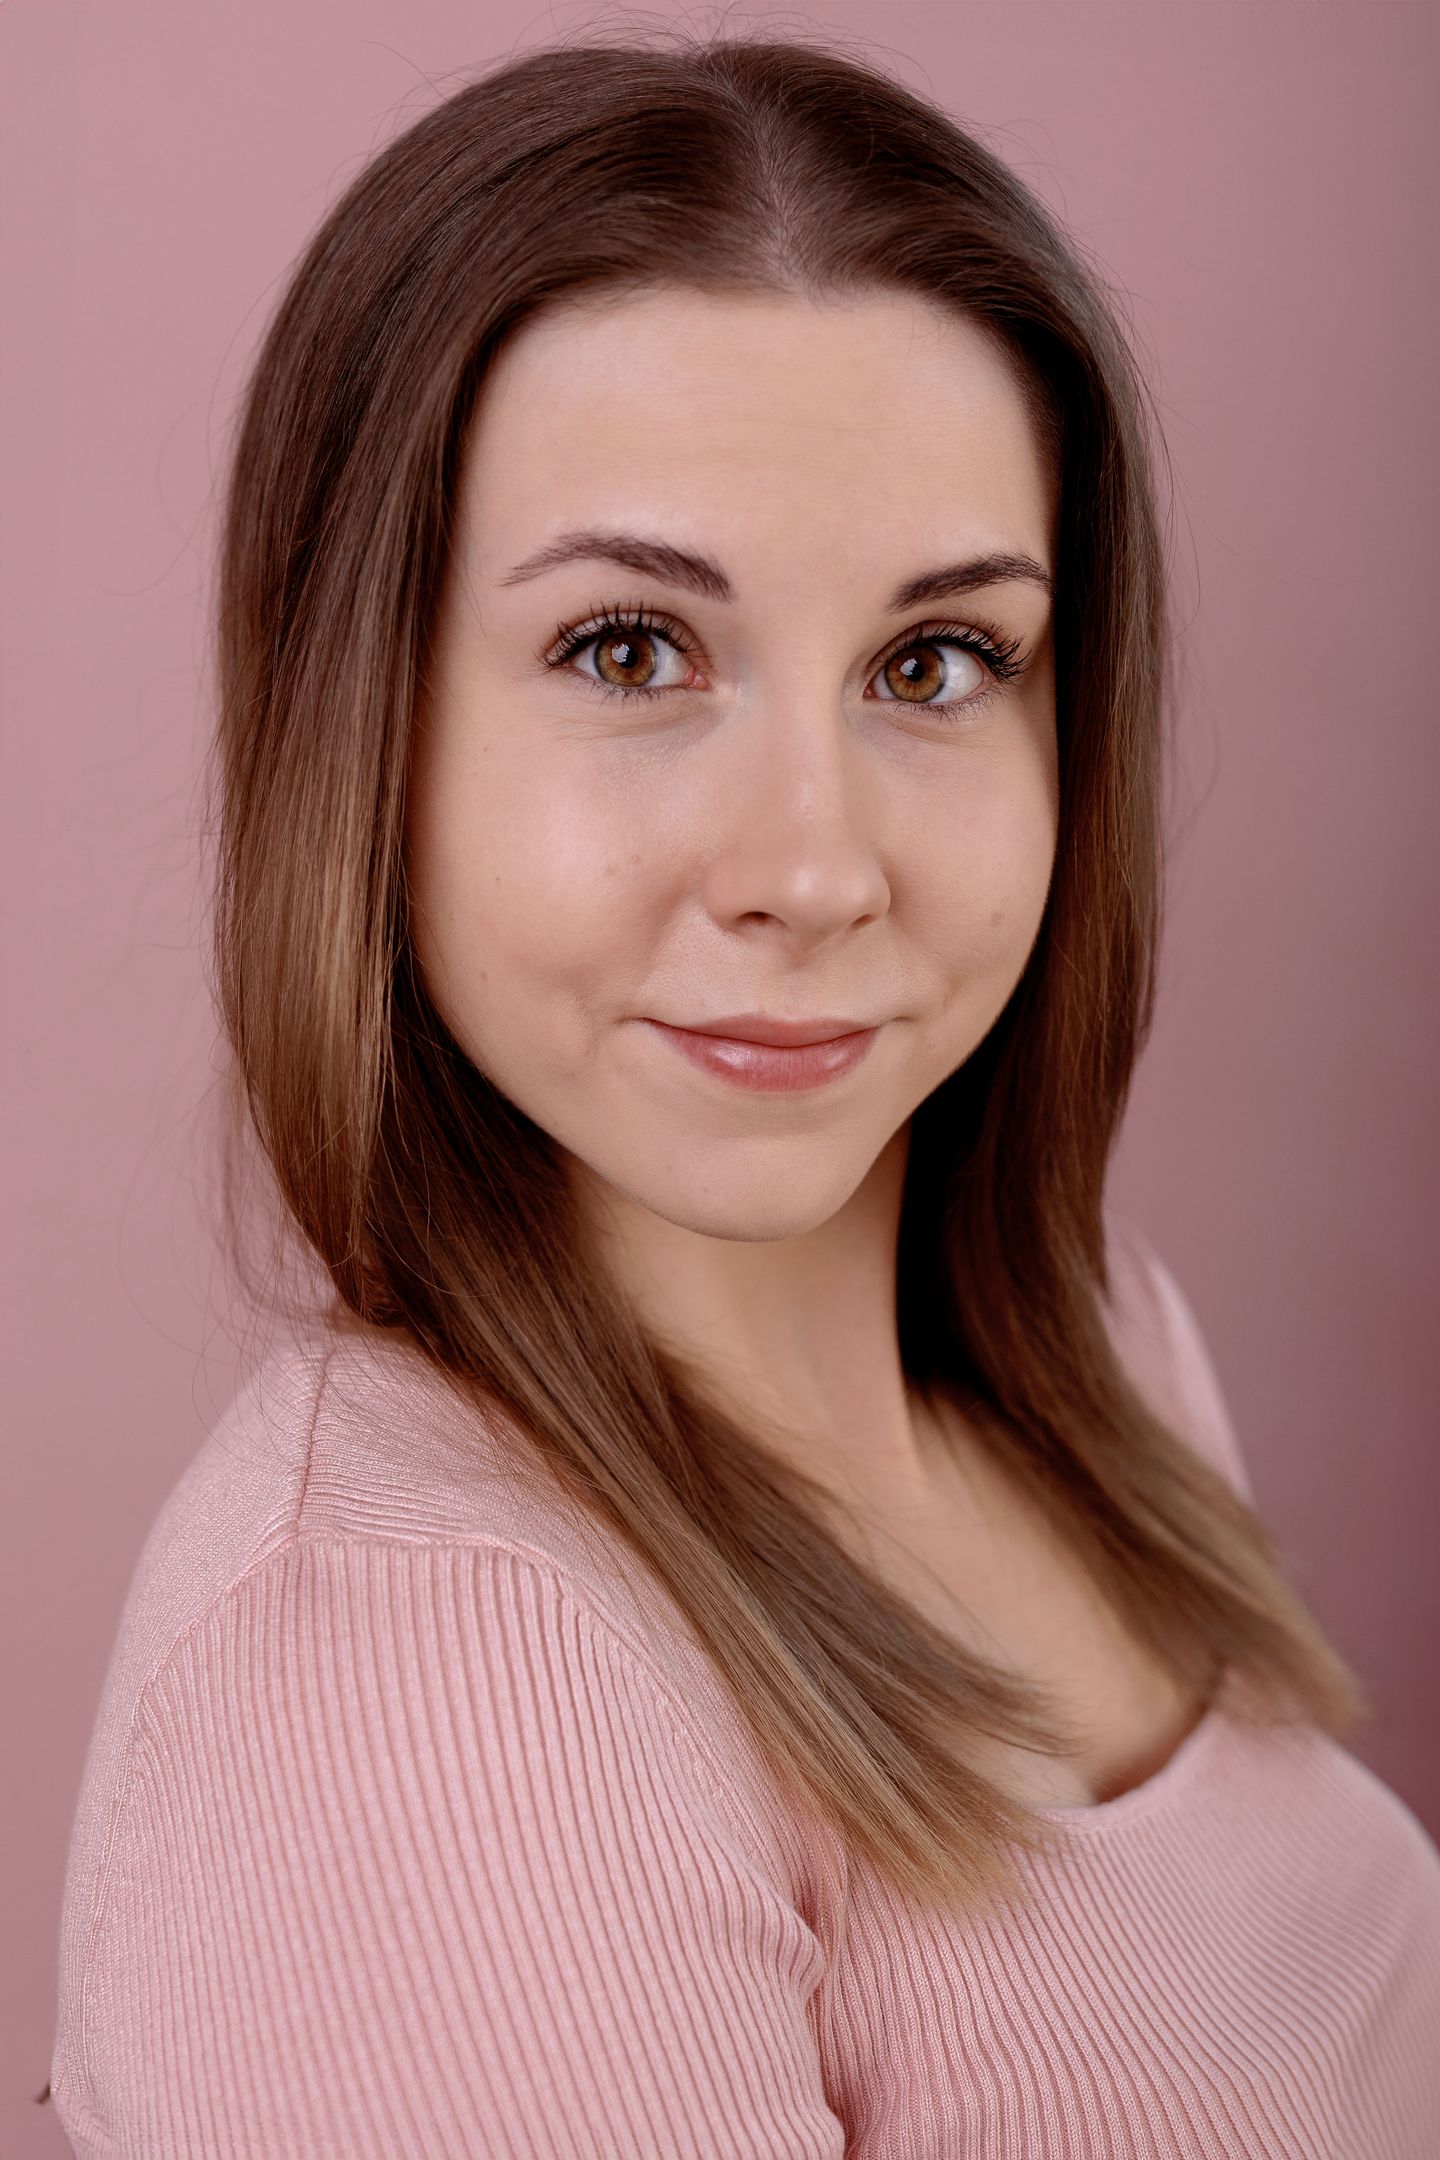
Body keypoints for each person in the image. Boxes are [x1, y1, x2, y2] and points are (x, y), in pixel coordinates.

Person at [47, 27, 1440, 2158]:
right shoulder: (419, 1665)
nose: (811, 867)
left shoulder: (1095, 1352)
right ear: (366, 727)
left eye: (935, 664)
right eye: (629, 650)